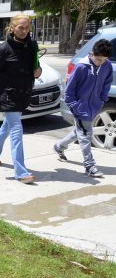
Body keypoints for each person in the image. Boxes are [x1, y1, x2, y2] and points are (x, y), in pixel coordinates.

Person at [0, 14, 42, 184]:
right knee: (17, 130)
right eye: (20, 28)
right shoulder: (3, 49)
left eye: (27, 28)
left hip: (23, 95)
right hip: (8, 96)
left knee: (6, 128)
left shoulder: (32, 45)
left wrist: (38, 71)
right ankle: (21, 171)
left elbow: (35, 67)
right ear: (12, 28)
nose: (24, 31)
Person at [53, 39, 113, 178]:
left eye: (104, 60)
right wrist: (75, 106)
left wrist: (102, 99)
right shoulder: (81, 67)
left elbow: (107, 83)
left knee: (80, 131)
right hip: (80, 107)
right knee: (86, 135)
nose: (101, 62)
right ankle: (89, 166)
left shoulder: (107, 65)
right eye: (98, 59)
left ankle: (59, 146)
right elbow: (69, 90)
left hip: (94, 106)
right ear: (92, 54)